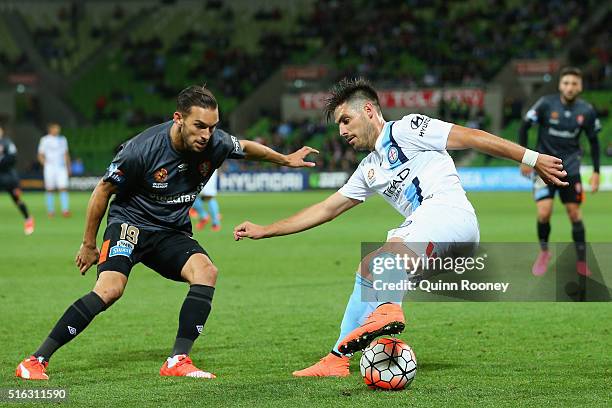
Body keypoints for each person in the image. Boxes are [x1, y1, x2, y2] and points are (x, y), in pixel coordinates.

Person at [233, 78, 567, 377]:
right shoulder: (369, 168)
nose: (342, 131)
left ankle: (389, 309)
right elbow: (327, 209)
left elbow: (472, 137)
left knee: (389, 254)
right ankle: (336, 359)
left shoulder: (407, 129)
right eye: (338, 126)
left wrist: (532, 159)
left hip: (450, 215)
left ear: (368, 110)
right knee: (368, 269)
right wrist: (267, 229)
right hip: (435, 237)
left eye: (345, 120)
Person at [15, 85, 317, 380]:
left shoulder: (216, 142)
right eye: (199, 126)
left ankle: (177, 359)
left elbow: (247, 147)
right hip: (130, 225)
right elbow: (102, 191)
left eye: (212, 127)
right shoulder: (141, 149)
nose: (206, 135)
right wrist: (88, 244)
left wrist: (285, 159)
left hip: (170, 231)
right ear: (178, 119)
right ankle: (35, 360)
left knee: (206, 272)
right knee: (110, 289)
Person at [518, 67, 601, 277]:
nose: (570, 87)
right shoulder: (546, 104)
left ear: (580, 86)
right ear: (560, 85)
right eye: (566, 83)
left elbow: (594, 141)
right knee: (544, 213)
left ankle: (581, 261)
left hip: (570, 170)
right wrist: (526, 158)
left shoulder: (586, 111)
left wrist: (597, 171)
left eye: (574, 83)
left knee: (574, 214)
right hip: (544, 167)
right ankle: (544, 252)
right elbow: (524, 126)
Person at [0, 125, 34, 235]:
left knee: (17, 199)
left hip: (9, 177)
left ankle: (28, 219)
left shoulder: (7, 143)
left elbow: (12, 157)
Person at [38, 123, 71, 217]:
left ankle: (65, 210)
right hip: (50, 167)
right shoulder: (45, 140)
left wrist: (68, 166)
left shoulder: (62, 139)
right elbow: (40, 154)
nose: (58, 130)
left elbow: (66, 153)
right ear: (51, 129)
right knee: (49, 189)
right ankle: (50, 211)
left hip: (61, 167)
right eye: (56, 128)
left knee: (63, 188)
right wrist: (45, 164)